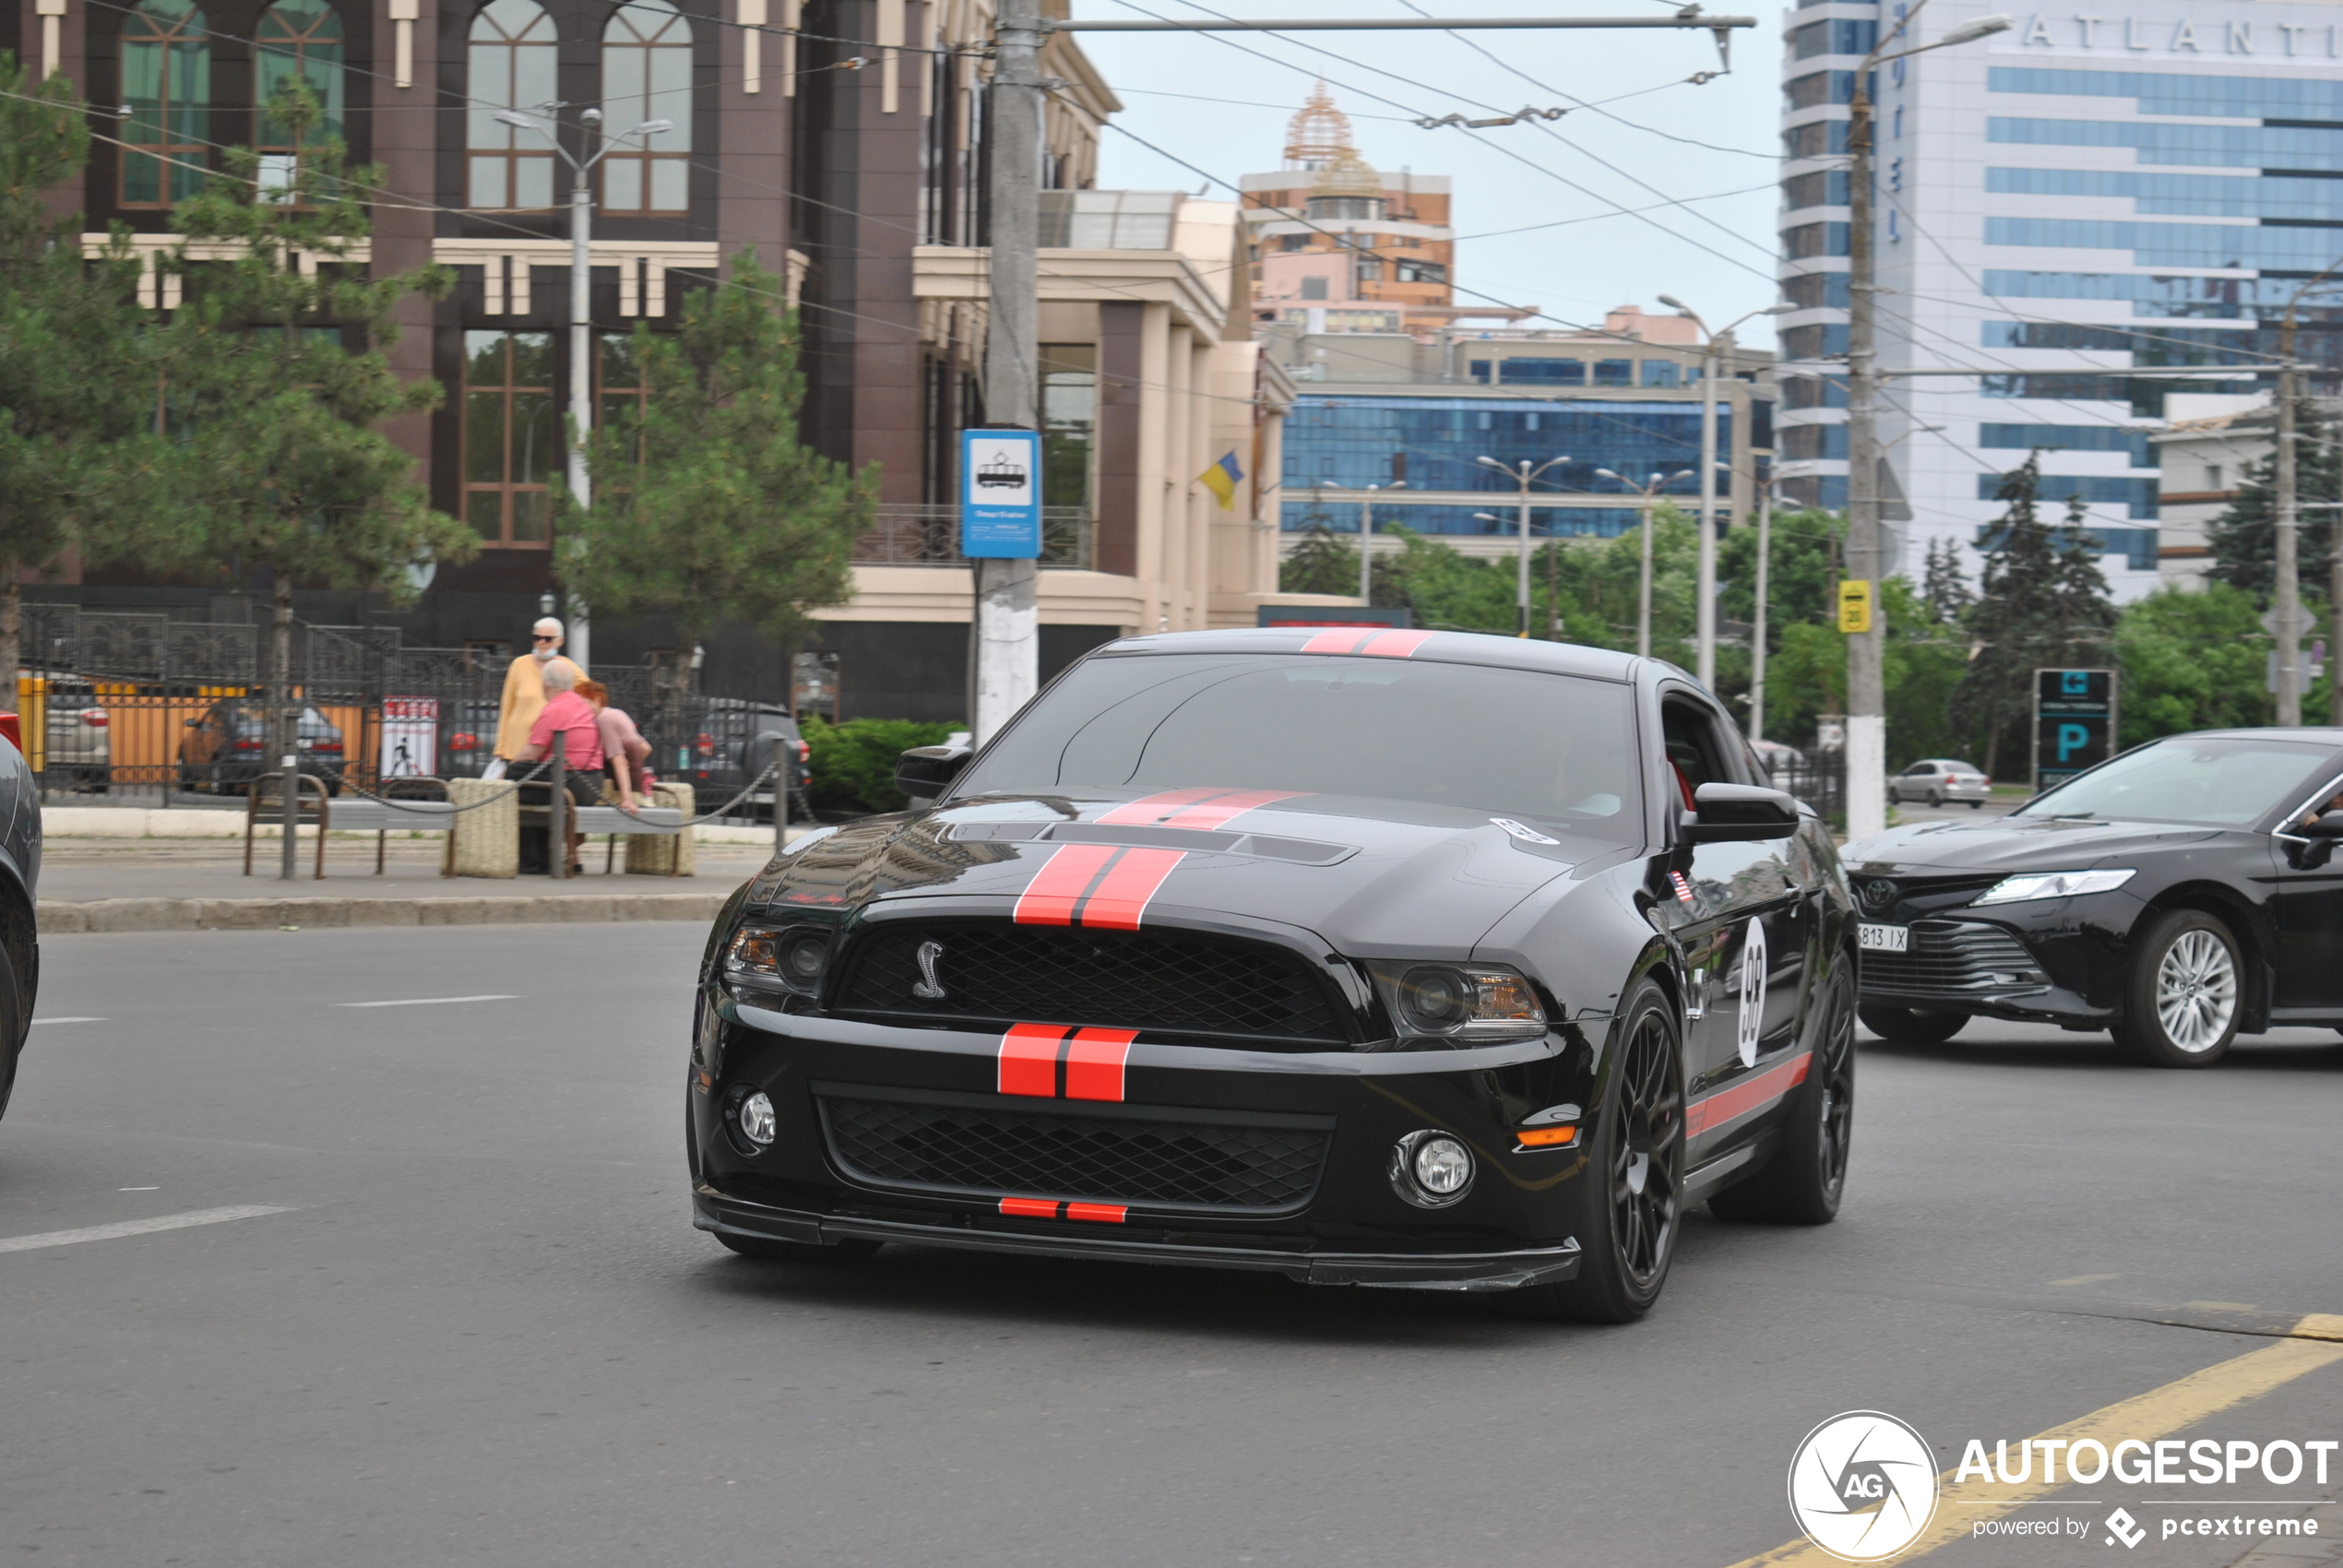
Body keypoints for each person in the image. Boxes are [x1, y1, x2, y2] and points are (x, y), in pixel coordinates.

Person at [515, 664, 606, 873]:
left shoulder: (554, 709)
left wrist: (506, 772)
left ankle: (533, 860)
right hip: (593, 783)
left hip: (570, 785)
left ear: (545, 685)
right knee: (531, 783)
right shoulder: (582, 705)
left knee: (516, 783)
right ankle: (543, 859)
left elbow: (532, 753)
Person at [491, 618, 584, 775]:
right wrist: (500, 747)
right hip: (517, 747)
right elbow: (507, 707)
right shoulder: (519, 664)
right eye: (537, 638)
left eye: (547, 639)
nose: (541, 643)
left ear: (560, 641)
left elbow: (590, 698)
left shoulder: (568, 668)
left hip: (547, 749)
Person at [576, 677, 652, 815]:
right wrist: (635, 768)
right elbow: (646, 748)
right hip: (636, 784)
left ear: (597, 700)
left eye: (582, 704)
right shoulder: (617, 713)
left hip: (622, 791)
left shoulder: (603, 720)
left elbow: (619, 761)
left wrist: (627, 798)